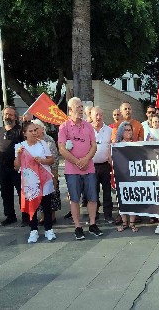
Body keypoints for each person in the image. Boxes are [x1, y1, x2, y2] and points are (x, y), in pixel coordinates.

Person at [58, 97, 103, 240]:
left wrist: (86, 160)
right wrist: (77, 161)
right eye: (78, 107)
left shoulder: (88, 126)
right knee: (75, 199)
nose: (81, 109)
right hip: (72, 170)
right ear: (70, 110)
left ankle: (92, 223)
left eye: (82, 107)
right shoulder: (64, 127)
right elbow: (61, 148)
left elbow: (94, 145)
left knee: (92, 198)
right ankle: (78, 226)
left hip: (89, 168)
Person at [14, 121, 57, 243]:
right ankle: (33, 230)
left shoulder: (43, 144)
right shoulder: (20, 147)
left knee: (46, 205)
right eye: (31, 131)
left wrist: (42, 160)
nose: (34, 133)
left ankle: (49, 229)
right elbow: (16, 167)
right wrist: (18, 155)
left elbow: (51, 160)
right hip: (30, 182)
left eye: (35, 130)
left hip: (44, 181)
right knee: (32, 206)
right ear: (25, 133)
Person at [0, 106, 25, 226]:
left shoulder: (20, 130)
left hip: (17, 167)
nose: (8, 116)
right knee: (5, 192)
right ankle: (10, 216)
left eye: (11, 115)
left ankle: (26, 216)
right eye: (6, 114)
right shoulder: (0, 131)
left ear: (15, 117)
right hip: (3, 166)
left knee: (21, 192)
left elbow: (25, 147)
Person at [31, 119, 61, 225]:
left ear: (42, 129)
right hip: (36, 174)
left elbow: (54, 158)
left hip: (49, 172)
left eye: (36, 129)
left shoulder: (49, 140)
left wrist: (54, 174)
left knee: (51, 195)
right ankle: (43, 216)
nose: (34, 131)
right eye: (33, 129)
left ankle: (51, 217)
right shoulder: (33, 141)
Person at [90, 106, 114, 224]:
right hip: (91, 165)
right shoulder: (88, 129)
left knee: (107, 191)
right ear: (91, 116)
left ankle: (108, 215)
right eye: (96, 115)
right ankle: (94, 214)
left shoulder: (109, 130)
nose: (99, 117)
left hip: (105, 165)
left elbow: (111, 145)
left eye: (101, 115)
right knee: (93, 192)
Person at [115, 121, 139, 232]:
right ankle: (124, 223)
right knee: (122, 199)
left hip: (133, 176)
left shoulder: (136, 145)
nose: (129, 132)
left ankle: (132, 223)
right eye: (126, 130)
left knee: (133, 198)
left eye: (130, 130)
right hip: (121, 175)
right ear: (121, 132)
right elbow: (110, 160)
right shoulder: (116, 145)